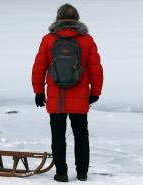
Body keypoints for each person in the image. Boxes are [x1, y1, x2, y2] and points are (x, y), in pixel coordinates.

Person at [31, 4, 103, 182]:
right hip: (80, 97)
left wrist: (39, 92)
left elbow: (39, 68)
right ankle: (82, 173)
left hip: (56, 98)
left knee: (58, 136)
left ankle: (61, 173)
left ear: (58, 18)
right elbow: (96, 69)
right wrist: (95, 92)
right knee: (81, 135)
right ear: (77, 19)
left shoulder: (48, 39)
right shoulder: (87, 40)